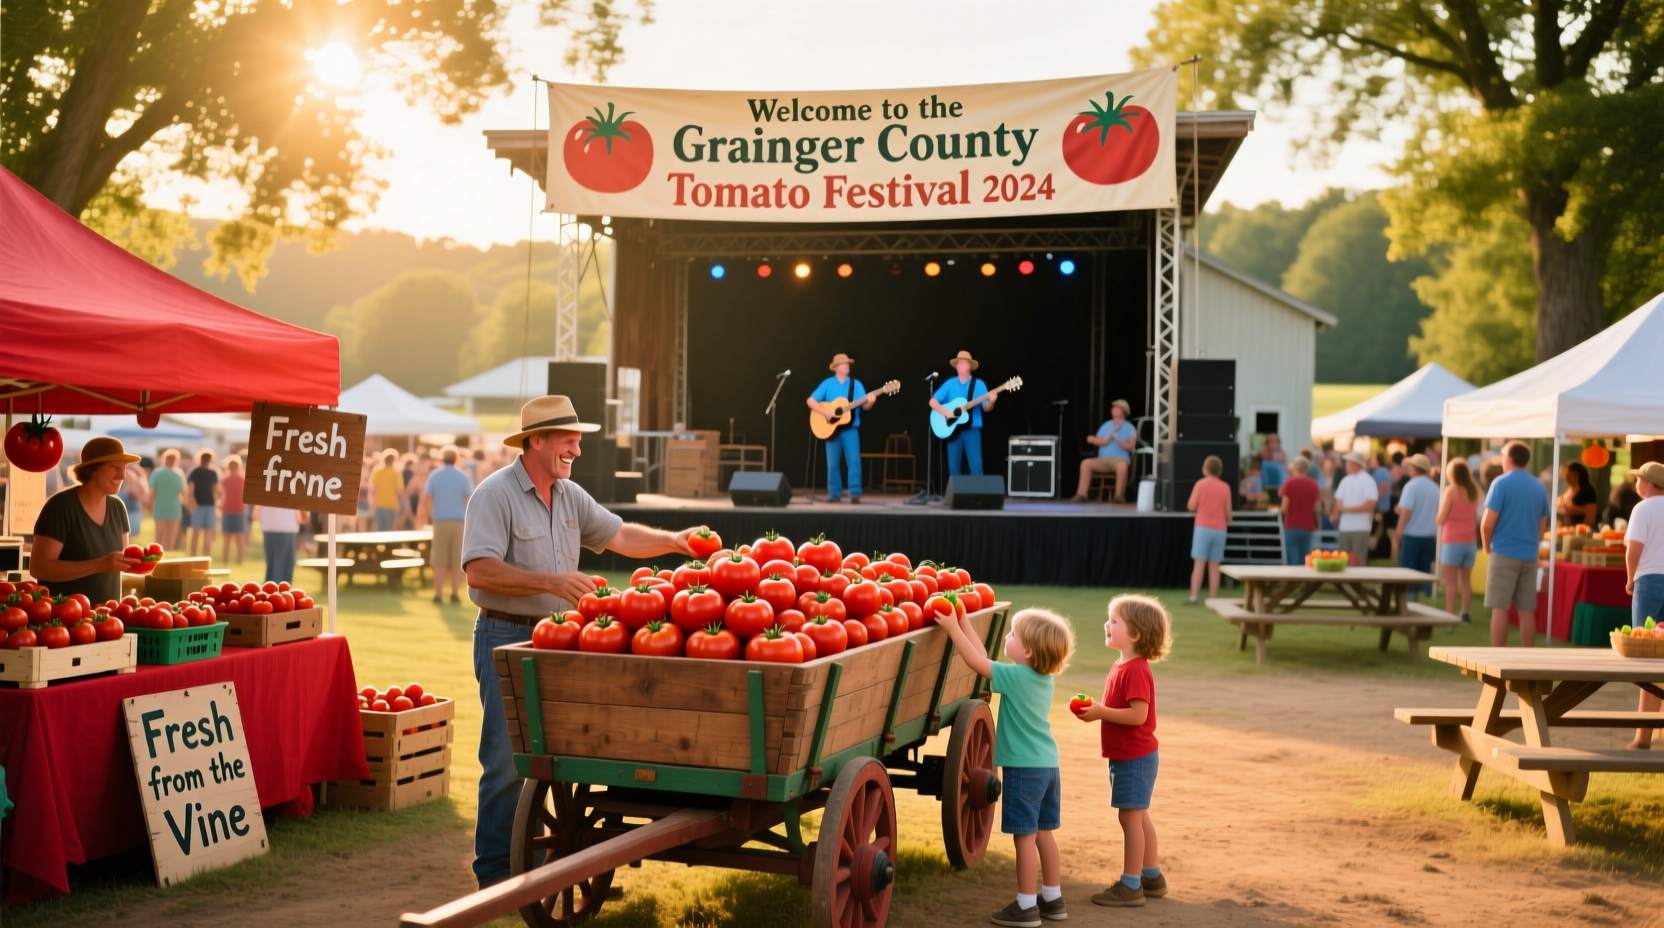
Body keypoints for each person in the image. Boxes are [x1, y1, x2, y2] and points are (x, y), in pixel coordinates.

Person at [461, 395, 707, 889]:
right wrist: (551, 581)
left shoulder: (570, 495)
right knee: (506, 761)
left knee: (561, 755)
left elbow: (619, 535)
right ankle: (494, 877)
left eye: (578, 440)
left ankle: (541, 865)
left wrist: (674, 541)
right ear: (536, 441)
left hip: (561, 640)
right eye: (568, 440)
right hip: (506, 635)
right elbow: (479, 571)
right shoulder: (494, 494)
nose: (577, 449)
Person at [937, 607, 1074, 927]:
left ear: (1028, 651)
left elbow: (976, 663)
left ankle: (1025, 906)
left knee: (1023, 838)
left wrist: (953, 629)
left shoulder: (1016, 677)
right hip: (1048, 767)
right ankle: (1053, 899)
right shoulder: (1042, 679)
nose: (1008, 637)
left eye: (1013, 634)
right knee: (1043, 834)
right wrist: (965, 622)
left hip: (1024, 770)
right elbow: (984, 658)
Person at [1073, 594, 1171, 907]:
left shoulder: (1136, 669)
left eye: (1114, 621)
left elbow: (1139, 715)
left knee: (1129, 818)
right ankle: (1152, 877)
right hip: (1129, 756)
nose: (1107, 624)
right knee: (1137, 815)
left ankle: (1131, 886)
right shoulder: (1122, 664)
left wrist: (1100, 711)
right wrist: (1097, 710)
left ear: (1135, 634)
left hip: (1135, 757)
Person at [29, 438, 142, 604]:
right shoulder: (60, 507)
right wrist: (100, 565)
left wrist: (142, 561)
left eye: (124, 469)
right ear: (92, 470)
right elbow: (39, 568)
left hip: (108, 615)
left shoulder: (118, 508)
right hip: (63, 615)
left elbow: (121, 562)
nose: (123, 475)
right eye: (115, 468)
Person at [1482, 441, 1551, 647]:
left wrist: (1486, 547)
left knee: (1499, 607)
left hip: (1503, 552)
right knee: (1526, 609)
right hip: (1529, 555)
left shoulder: (1500, 483)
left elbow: (1486, 523)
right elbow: (1542, 527)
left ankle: (1497, 656)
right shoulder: (1539, 486)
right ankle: (1527, 656)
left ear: (1509, 458)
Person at [1624, 462, 1664, 749]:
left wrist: (1630, 579)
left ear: (1648, 483)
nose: (1636, 482)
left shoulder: (1642, 509)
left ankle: (1643, 736)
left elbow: (1633, 551)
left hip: (1648, 581)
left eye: (1638, 478)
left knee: (1647, 658)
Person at [806, 353, 878, 504]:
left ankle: (855, 493)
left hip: (851, 428)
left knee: (854, 461)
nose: (847, 366)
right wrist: (825, 412)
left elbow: (865, 406)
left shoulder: (856, 384)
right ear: (836, 368)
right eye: (844, 364)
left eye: (848, 364)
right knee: (832, 463)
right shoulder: (827, 383)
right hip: (831, 429)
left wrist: (870, 402)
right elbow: (810, 401)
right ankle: (834, 493)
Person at [420, 446, 474, 604]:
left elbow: (427, 498)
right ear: (456, 458)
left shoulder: (435, 475)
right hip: (458, 521)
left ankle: (438, 594)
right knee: (456, 560)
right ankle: (454, 594)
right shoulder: (462, 476)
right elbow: (468, 499)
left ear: (441, 458)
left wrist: (431, 514)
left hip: (440, 520)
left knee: (439, 560)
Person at [930, 350, 995, 477]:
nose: (960, 365)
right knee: (953, 467)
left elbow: (986, 408)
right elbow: (932, 402)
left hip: (972, 431)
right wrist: (947, 413)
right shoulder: (950, 383)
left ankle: (978, 490)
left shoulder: (979, 384)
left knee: (976, 466)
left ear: (969, 366)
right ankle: (956, 491)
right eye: (958, 363)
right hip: (953, 431)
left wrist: (991, 401)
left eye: (963, 363)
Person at [1436, 458, 1481, 625]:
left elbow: (1441, 518)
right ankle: (1465, 613)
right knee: (1466, 581)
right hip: (1470, 541)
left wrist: (1437, 518)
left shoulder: (1450, 490)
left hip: (1452, 541)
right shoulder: (1474, 491)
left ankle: (1449, 613)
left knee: (1451, 582)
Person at [1186, 455, 1232, 604]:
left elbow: (1191, 506)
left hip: (1202, 527)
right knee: (1214, 566)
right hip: (1219, 529)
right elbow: (1228, 513)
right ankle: (1213, 598)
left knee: (1199, 565)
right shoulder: (1225, 487)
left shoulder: (1200, 484)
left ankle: (1194, 596)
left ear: (1205, 469)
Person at [1072, 399, 1136, 503]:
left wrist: (1118, 439)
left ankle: (1119, 496)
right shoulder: (1106, 425)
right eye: (1113, 408)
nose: (1114, 410)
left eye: (1117, 409)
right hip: (1103, 460)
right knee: (1086, 463)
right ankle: (1081, 494)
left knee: (1122, 466)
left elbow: (1131, 446)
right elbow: (1099, 441)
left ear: (1124, 411)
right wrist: (1104, 439)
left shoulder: (1130, 428)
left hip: (1120, 460)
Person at [1394, 454, 1440, 599]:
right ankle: (1427, 597)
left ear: (1414, 468)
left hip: (1412, 534)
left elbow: (1406, 511)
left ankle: (1411, 597)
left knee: (1409, 570)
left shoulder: (1411, 486)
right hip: (1430, 535)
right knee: (1425, 570)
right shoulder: (1435, 487)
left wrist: (1398, 531)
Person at [1331, 452, 1379, 567]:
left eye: (1349, 463)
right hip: (1345, 526)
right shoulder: (1345, 480)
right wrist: (1335, 514)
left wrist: (1344, 509)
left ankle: (1360, 578)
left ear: (1357, 464)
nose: (1347, 465)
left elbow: (1370, 505)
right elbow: (1338, 502)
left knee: (1359, 559)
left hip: (1361, 527)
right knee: (1344, 558)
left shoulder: (1368, 481)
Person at [1279, 456, 1322, 565]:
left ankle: (1292, 576)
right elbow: (1317, 509)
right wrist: (1318, 524)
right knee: (1305, 558)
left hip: (1291, 526)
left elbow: (1284, 508)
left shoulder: (1289, 483)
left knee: (1292, 558)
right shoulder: (1313, 484)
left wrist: (1275, 510)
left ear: (1294, 468)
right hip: (1308, 526)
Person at [254, 505, 302, 584]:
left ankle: (269, 589)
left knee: (271, 566)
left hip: (268, 523)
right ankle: (280, 590)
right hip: (285, 525)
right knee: (284, 566)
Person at [149, 448, 185, 550]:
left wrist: (148, 504)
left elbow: (152, 492)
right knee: (170, 540)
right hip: (174, 507)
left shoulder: (157, 473)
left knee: (159, 538)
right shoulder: (178, 474)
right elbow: (183, 492)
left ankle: (157, 555)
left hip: (160, 507)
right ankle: (168, 554)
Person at [220, 455, 247, 565]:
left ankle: (225, 559)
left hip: (227, 510)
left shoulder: (225, 480)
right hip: (239, 510)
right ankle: (239, 560)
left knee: (227, 538)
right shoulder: (242, 480)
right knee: (239, 537)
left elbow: (221, 494)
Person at [370, 449, 405, 531]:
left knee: (379, 530)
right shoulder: (396, 472)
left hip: (379, 504)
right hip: (392, 505)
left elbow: (373, 490)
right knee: (389, 531)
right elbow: (399, 491)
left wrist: (372, 505)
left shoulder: (377, 470)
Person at [1558, 461, 1599, 528]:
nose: (1565, 478)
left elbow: (1590, 515)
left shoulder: (1587, 490)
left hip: (1581, 529)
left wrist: (1582, 529)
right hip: (1565, 527)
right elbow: (1560, 508)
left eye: (1567, 474)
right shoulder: (1569, 489)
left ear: (1576, 475)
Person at [119, 460, 149, 539]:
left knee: (128, 535)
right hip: (130, 511)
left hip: (132, 511)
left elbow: (135, 493)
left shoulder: (137, 479)